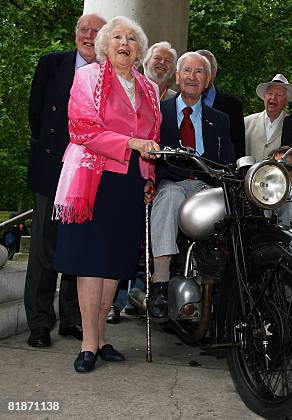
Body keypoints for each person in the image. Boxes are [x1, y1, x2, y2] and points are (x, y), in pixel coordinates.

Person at [53, 16, 161, 373]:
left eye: (131, 37)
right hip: (93, 177)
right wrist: (130, 142)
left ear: (139, 49)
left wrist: (149, 176)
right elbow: (81, 128)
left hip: (130, 180)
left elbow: (152, 140)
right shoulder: (88, 77)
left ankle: (100, 339)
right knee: (90, 261)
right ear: (105, 45)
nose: (124, 42)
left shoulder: (149, 89)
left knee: (114, 261)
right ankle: (87, 344)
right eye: (116, 36)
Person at [24, 13, 106, 349]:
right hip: (52, 169)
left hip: (89, 173)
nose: (88, 36)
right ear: (75, 35)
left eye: (95, 32)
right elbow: (36, 115)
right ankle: (40, 323)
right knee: (44, 248)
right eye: (84, 30)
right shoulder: (51, 64)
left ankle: (72, 319)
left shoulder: (109, 73)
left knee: (78, 247)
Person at [147, 52, 235, 319]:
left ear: (207, 81)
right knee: (171, 195)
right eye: (187, 70)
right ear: (177, 76)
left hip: (205, 186)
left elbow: (227, 161)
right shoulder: (158, 113)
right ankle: (160, 283)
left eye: (199, 72)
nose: (192, 77)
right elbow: (148, 152)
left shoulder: (219, 119)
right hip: (171, 182)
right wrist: (149, 180)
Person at [196, 49, 246, 158]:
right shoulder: (178, 103)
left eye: (204, 69)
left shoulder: (233, 105)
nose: (197, 74)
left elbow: (238, 147)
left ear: (213, 72)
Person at [244, 74, 292, 161]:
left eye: (279, 95)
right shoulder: (246, 122)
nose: (273, 98)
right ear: (264, 97)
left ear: (286, 101)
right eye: (270, 93)